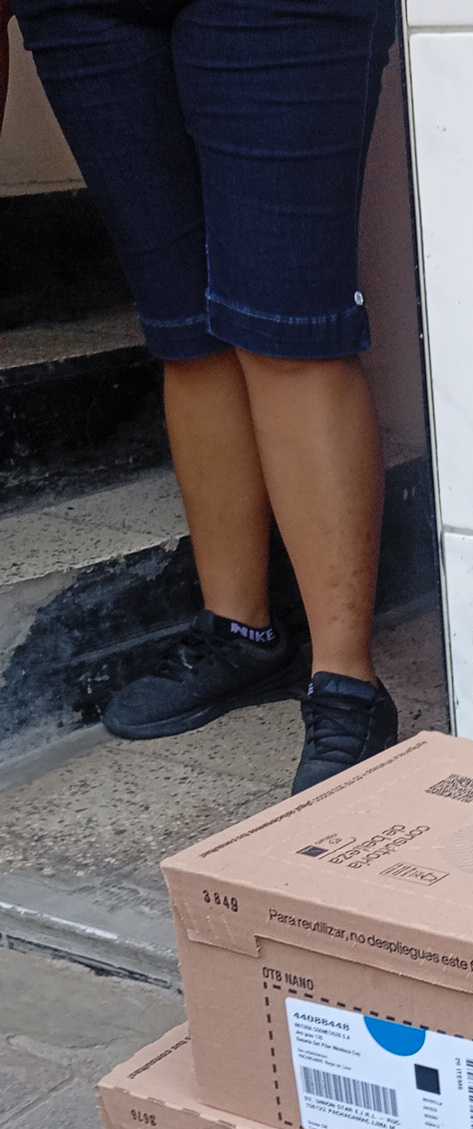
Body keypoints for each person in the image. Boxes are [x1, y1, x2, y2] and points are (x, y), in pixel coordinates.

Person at [2, 0, 400, 793]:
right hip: (84, 13)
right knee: (184, 332)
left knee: (291, 330)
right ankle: (240, 634)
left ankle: (348, 687)